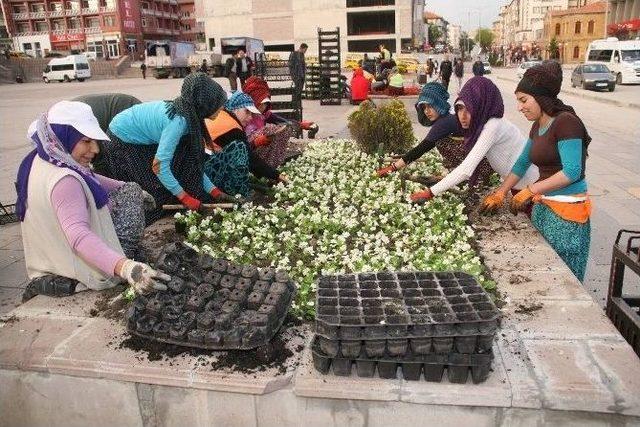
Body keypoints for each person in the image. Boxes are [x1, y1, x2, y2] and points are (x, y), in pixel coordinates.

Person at [16, 101, 169, 301]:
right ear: (65, 136)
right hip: (72, 261)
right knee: (130, 192)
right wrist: (125, 267)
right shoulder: (65, 181)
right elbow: (78, 235)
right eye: (86, 141)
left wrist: (129, 187)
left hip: (49, 253)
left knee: (130, 189)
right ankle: (117, 258)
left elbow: (90, 177)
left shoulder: (44, 156)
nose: (95, 149)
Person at [481, 61, 591, 281]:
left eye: (524, 100)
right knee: (542, 273)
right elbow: (522, 162)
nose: (520, 107)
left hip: (567, 215)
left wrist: (530, 189)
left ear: (541, 98)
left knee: (562, 278)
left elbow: (571, 171)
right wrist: (502, 192)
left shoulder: (566, 122)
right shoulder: (538, 125)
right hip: (544, 207)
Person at [98, 73, 228, 223]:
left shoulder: (190, 117)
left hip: (139, 135)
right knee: (153, 191)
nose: (222, 107)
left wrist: (215, 192)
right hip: (121, 139)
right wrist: (184, 197)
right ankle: (128, 222)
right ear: (205, 105)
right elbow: (159, 167)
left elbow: (194, 163)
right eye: (218, 103)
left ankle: (181, 201)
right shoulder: (177, 122)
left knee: (185, 161)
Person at [409, 76, 539, 203]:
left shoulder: (493, 126)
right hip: (518, 186)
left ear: (480, 106)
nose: (462, 116)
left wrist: (430, 192)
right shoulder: (481, 125)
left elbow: (466, 169)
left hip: (533, 187)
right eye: (459, 108)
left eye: (469, 109)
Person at [376, 82, 493, 184]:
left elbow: (421, 149)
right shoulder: (451, 112)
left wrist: (392, 168)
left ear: (439, 103)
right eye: (424, 107)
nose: (427, 111)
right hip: (487, 159)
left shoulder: (444, 122)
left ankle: (465, 174)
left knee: (441, 142)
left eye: (430, 106)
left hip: (485, 163)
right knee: (440, 140)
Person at [204, 92, 287, 197]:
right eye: (247, 112)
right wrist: (276, 175)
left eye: (251, 114)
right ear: (235, 109)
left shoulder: (221, 115)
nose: (250, 117)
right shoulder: (231, 127)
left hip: (205, 170)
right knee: (240, 148)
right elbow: (251, 159)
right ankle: (240, 191)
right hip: (208, 174)